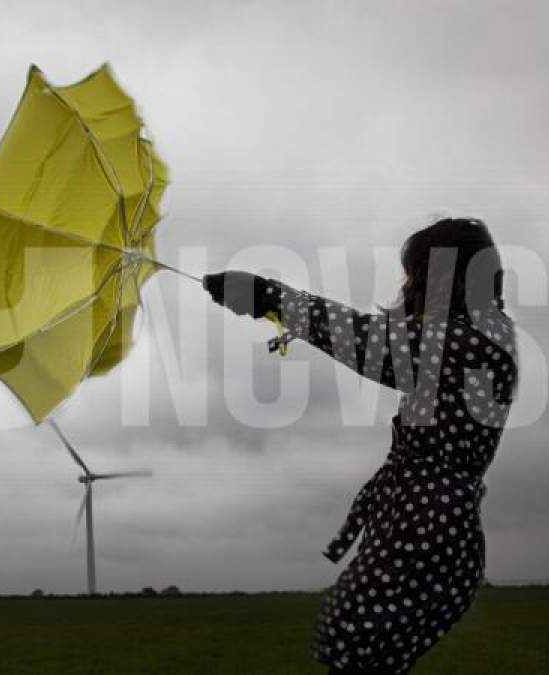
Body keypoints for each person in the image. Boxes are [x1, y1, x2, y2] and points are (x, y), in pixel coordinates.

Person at [204, 218, 519, 674]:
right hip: (423, 527)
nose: (407, 284)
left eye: (415, 274)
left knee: (353, 653)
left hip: (425, 534)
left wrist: (265, 296)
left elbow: (372, 342)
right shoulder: (479, 336)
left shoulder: (475, 342)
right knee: (354, 650)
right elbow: (380, 337)